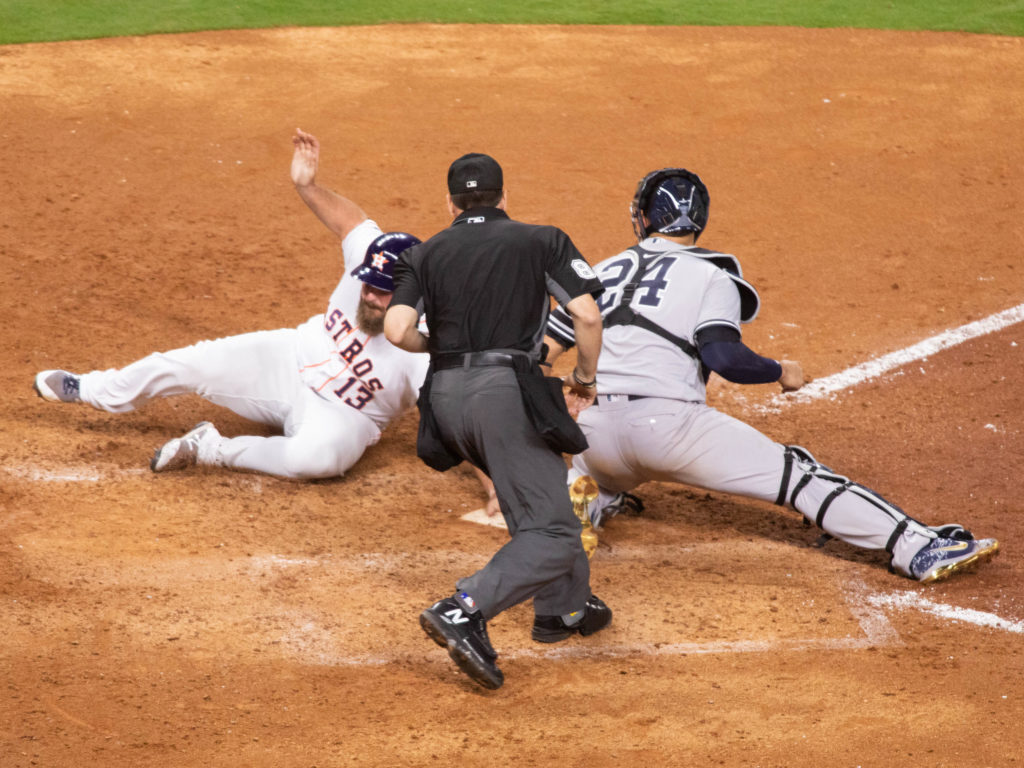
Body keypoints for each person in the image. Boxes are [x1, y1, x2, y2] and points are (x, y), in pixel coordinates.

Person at [543, 167, 1000, 584]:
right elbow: (725, 357)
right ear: (698, 219)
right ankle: (917, 547)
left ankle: (584, 502)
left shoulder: (600, 271)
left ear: (643, 218)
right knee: (800, 474)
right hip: (669, 430)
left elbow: (539, 354)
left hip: (592, 435)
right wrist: (782, 371)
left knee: (602, 473)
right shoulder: (709, 276)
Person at [33, 129, 429, 481]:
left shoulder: (429, 346)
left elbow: (466, 414)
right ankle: (91, 388)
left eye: (381, 292)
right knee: (188, 363)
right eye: (367, 286)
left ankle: (212, 449)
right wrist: (308, 186)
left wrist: (490, 482)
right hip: (287, 360)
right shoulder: (371, 257)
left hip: (346, 416)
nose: (369, 295)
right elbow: (352, 222)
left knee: (315, 460)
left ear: (410, 291)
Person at [384, 152, 609, 689]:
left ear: (450, 204)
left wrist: (447, 348)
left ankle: (563, 610)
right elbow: (588, 315)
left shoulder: (422, 253)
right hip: (503, 394)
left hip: (443, 399)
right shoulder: (540, 239)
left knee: (538, 493)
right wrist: (584, 376)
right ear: (505, 198)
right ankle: (463, 608)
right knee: (555, 531)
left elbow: (396, 330)